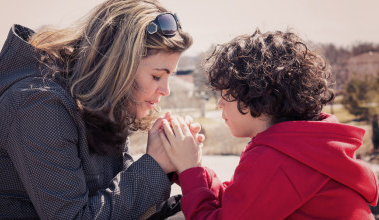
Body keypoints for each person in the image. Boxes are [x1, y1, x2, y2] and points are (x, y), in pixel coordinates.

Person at [0, 0, 200, 219]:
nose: (165, 90)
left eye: (169, 77)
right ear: (119, 66)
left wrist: (183, 174)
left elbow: (119, 206)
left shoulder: (102, 108)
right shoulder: (39, 103)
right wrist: (154, 165)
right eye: (157, 76)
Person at [158, 29, 379, 219]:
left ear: (259, 94)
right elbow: (242, 204)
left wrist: (189, 170)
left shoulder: (280, 159)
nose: (220, 103)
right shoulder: (302, 148)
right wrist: (193, 168)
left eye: (227, 93)